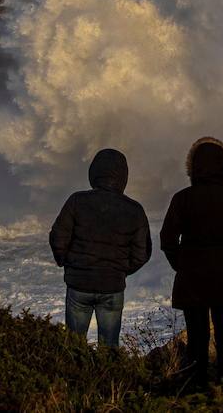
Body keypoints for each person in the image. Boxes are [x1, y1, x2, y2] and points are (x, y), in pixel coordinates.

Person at [160, 137, 223, 384]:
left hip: (191, 277)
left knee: (197, 338)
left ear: (193, 167)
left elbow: (167, 238)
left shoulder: (182, 198)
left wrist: (180, 263)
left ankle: (196, 388)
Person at [48, 148, 151, 347]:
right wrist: (119, 271)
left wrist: (68, 263)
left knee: (73, 348)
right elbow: (141, 253)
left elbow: (58, 238)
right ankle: (107, 378)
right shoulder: (134, 210)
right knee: (109, 349)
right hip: (112, 287)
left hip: (79, 285)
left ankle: (73, 378)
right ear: (123, 177)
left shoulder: (77, 201)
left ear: (93, 173)